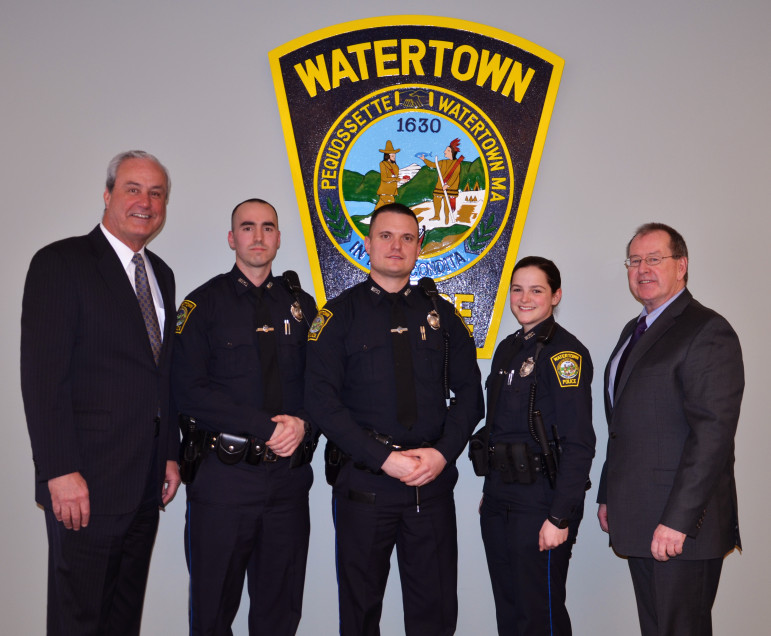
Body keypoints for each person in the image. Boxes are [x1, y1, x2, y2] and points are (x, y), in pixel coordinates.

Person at [21, 150, 181, 635]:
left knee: (121, 620)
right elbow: (43, 378)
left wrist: (169, 455)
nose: (145, 202)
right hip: (84, 483)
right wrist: (59, 469)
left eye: (157, 193)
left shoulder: (163, 275)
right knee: (79, 620)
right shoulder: (60, 263)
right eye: (133, 189)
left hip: (144, 483)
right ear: (108, 195)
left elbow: (161, 377)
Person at [306, 202, 484, 635]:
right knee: (361, 614)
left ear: (419, 247)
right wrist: (384, 457)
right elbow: (320, 401)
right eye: (386, 235)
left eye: (407, 237)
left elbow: (471, 397)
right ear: (367, 244)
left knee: (435, 614)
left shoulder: (441, 316)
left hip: (431, 487)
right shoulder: (337, 317)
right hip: (365, 486)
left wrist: (442, 455)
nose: (396, 246)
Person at [172, 198, 317, 635]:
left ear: (277, 239)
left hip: (288, 483)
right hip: (224, 481)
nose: (258, 236)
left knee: (280, 611)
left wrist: (306, 423)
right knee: (213, 611)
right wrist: (267, 428)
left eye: (268, 227)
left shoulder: (302, 306)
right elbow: (187, 391)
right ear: (232, 238)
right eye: (248, 227)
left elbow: (325, 385)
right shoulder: (203, 305)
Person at [597, 223, 744, 636]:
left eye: (654, 258)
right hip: (640, 518)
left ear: (681, 266)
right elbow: (622, 426)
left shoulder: (706, 330)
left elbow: (712, 437)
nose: (643, 268)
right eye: (635, 260)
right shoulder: (634, 331)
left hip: (681, 529)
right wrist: (610, 494)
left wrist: (678, 521)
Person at [471, 256, 595, 635]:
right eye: (518, 289)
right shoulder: (508, 348)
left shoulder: (564, 355)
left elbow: (578, 444)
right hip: (499, 499)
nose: (525, 298)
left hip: (541, 503)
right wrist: (490, 490)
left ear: (555, 296)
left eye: (537, 290)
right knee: (508, 613)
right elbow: (499, 428)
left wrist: (559, 516)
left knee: (539, 615)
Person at [419, 138, 464, 223]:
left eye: (447, 150)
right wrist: (424, 159)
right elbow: (433, 165)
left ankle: (447, 217)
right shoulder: (442, 162)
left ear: (451, 152)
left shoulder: (457, 164)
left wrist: (448, 185)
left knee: (447, 202)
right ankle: (436, 216)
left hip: (450, 188)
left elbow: (454, 176)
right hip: (440, 185)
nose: (444, 152)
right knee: (436, 199)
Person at [375, 140, 400, 210]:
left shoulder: (396, 166)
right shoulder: (383, 164)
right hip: (386, 193)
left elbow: (395, 177)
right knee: (391, 210)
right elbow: (384, 178)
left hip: (392, 192)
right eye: (392, 155)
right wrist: (398, 179)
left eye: (394, 155)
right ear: (387, 156)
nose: (394, 157)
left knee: (380, 209)